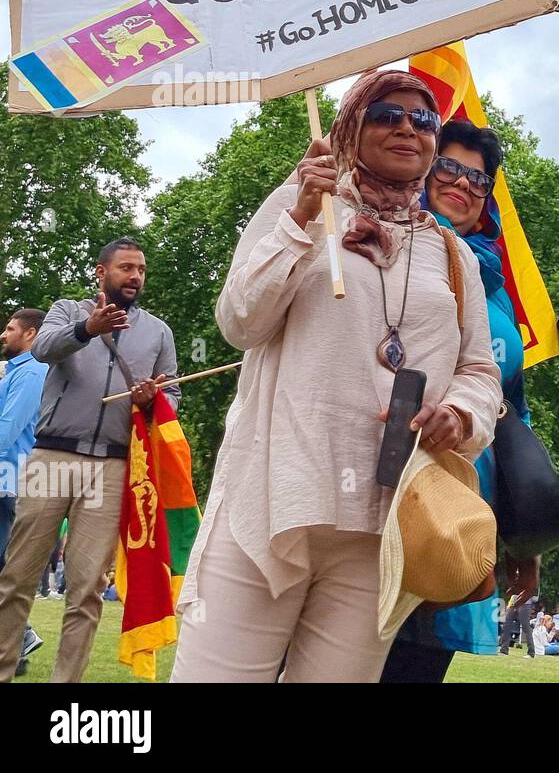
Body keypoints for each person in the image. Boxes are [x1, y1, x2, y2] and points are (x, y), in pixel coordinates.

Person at [169, 69, 502, 683]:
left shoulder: (453, 255)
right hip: (272, 499)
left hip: (385, 519)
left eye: (423, 119)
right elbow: (240, 320)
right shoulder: (298, 201)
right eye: (387, 114)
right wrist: (300, 218)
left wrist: (457, 415)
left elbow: (480, 371)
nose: (409, 128)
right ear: (350, 125)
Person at [381, 119, 541, 683]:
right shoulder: (376, 247)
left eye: (480, 177)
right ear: (423, 171)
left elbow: (511, 412)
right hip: (375, 498)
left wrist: (523, 533)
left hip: (458, 512)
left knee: (416, 668)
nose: (464, 183)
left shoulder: (495, 292)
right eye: (449, 166)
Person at [0, 240, 179, 683]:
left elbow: (172, 393)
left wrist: (151, 402)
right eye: (125, 268)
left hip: (113, 467)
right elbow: (42, 351)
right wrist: (87, 327)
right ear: (101, 272)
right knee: (16, 579)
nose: (135, 276)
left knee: (87, 591)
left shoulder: (158, 331)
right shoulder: (66, 309)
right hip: (51, 456)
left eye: (141, 269)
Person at [0, 310, 48, 678]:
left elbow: (8, 428)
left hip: (10, 481)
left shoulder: (32, 372)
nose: (4, 333)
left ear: (30, 334)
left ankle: (20, 638)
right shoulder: (16, 371)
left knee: (7, 567)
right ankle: (20, 640)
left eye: (11, 328)